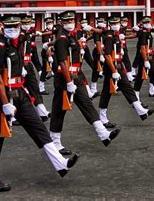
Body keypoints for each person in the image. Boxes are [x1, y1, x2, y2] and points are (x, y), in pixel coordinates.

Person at [0, 14, 79, 192]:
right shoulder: (0, 46)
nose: (13, 30)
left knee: (38, 127)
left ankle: (60, 163)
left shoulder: (17, 42)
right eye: (9, 27)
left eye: (16, 26)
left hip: (20, 93)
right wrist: (4, 103)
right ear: (3, 28)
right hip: (5, 95)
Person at [49, 11, 120, 156]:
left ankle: (103, 133)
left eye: (72, 20)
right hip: (65, 78)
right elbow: (62, 62)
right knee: (59, 110)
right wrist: (68, 82)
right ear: (62, 22)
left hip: (76, 75)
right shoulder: (63, 37)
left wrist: (49, 45)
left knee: (86, 103)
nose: (70, 22)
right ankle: (55, 142)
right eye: (67, 20)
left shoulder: (69, 35)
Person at [98, 16, 154, 127]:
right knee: (107, 92)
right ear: (110, 24)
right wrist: (114, 71)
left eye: (117, 23)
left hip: (119, 66)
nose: (116, 25)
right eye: (113, 23)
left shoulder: (115, 35)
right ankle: (102, 117)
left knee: (128, 88)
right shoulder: (110, 37)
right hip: (112, 68)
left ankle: (141, 111)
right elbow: (108, 56)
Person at [19, 15, 50, 122]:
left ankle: (42, 112)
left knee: (34, 87)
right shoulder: (19, 35)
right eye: (25, 23)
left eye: (29, 23)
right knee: (18, 92)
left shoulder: (27, 34)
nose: (28, 25)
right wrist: (21, 65)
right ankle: (14, 116)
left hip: (28, 64)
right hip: (20, 65)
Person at [40, 17, 56, 95]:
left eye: (51, 23)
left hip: (53, 52)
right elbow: (47, 45)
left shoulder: (54, 31)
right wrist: (49, 55)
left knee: (56, 69)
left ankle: (58, 86)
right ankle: (41, 88)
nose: (50, 25)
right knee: (45, 70)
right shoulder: (45, 32)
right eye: (48, 23)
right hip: (46, 52)